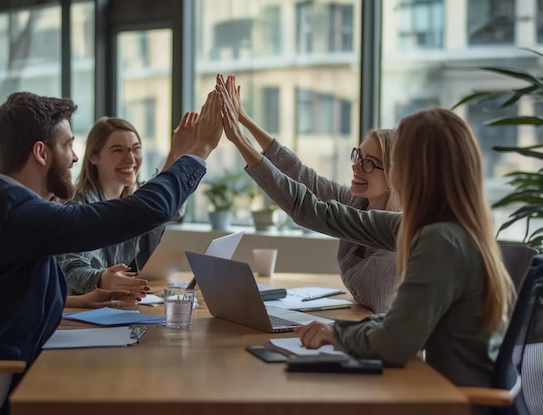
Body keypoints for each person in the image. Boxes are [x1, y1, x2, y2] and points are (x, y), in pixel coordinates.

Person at [0, 87, 222, 415]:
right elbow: (143, 211)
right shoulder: (15, 211)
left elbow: (2, 296)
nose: (75, 157)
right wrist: (201, 148)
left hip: (3, 373)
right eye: (68, 145)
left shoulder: (1, 202)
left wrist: (79, 299)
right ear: (40, 152)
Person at [219, 85, 514, 391]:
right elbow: (313, 207)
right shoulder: (438, 230)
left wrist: (337, 335)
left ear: (417, 171)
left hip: (451, 402)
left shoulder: (439, 242)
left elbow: (396, 342)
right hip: (438, 391)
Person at [220, 74, 399, 312]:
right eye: (359, 157)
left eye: (370, 163)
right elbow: (302, 175)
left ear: (394, 178)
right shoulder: (357, 203)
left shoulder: (397, 240)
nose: (357, 166)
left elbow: (307, 207)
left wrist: (239, 140)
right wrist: (243, 119)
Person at [58, 113, 198, 303]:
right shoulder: (76, 206)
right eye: (118, 150)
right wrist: (103, 279)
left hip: (130, 304)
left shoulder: (138, 200)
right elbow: (70, 270)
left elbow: (170, 207)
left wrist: (176, 154)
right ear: (93, 157)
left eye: (135, 149)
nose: (130, 158)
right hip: (87, 312)